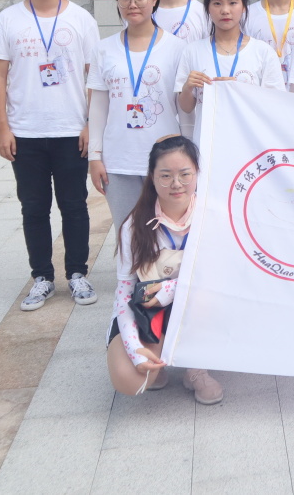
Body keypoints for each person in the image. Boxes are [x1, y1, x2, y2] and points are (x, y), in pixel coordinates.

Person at [0, 0, 99, 311]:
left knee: (74, 205)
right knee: (33, 208)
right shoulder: (8, 20)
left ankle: (77, 273)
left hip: (71, 131)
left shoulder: (81, 19)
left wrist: (90, 123)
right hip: (26, 133)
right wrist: (3, 127)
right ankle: (42, 277)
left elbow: (94, 76)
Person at [106, 135, 223, 404]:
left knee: (204, 298)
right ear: (152, 177)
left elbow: (224, 278)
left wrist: (171, 288)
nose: (176, 184)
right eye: (166, 176)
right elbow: (125, 290)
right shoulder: (134, 225)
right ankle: (157, 359)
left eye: (185, 174)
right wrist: (134, 349)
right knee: (129, 379)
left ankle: (196, 368)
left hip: (198, 303)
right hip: (151, 308)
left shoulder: (212, 217)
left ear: (197, 173)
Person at [88, 0, 187, 229]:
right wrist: (94, 157)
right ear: (117, 1)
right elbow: (98, 108)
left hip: (166, 159)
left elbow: (185, 109)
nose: (132, 5)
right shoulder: (104, 49)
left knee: (167, 230)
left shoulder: (177, 48)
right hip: (119, 159)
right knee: (126, 232)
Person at [175, 0, 285, 131]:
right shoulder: (192, 51)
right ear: (208, 8)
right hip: (207, 140)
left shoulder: (263, 52)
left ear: (244, 6)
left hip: (249, 140)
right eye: (217, 3)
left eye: (233, 3)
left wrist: (239, 90)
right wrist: (188, 87)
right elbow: (186, 108)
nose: (225, 10)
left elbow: (276, 104)